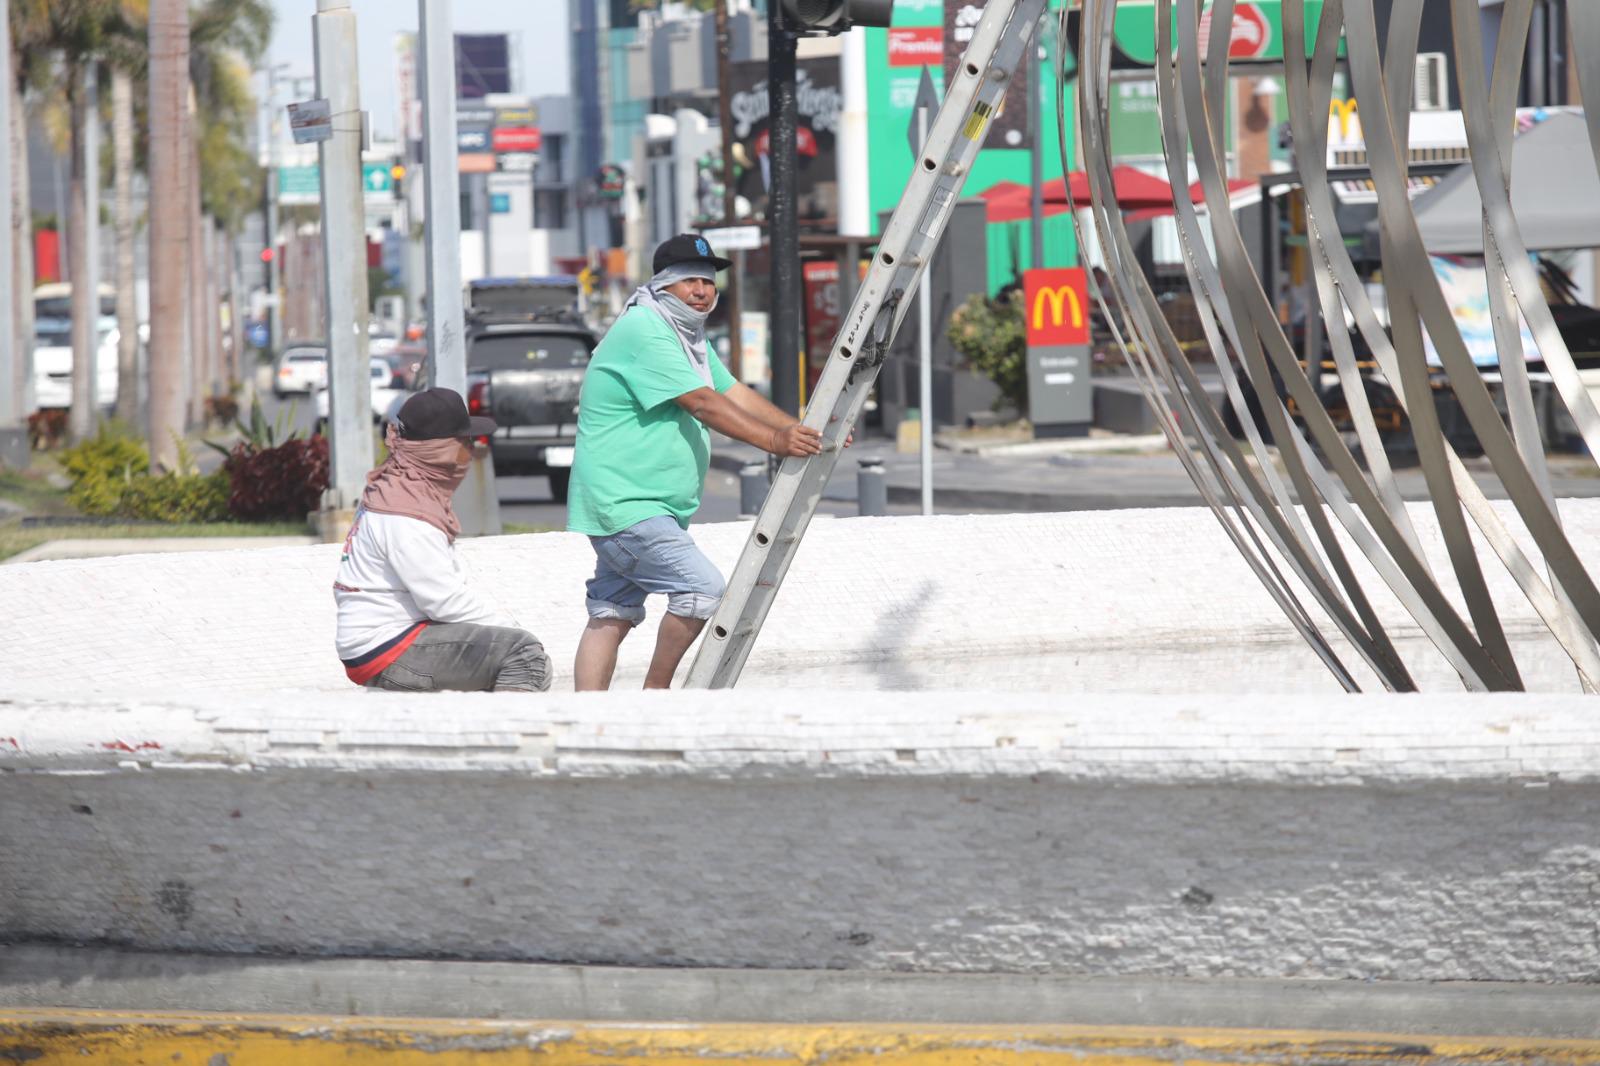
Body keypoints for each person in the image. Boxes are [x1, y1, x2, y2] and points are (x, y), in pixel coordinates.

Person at [567, 233, 823, 691]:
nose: (702, 291)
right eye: (689, 281)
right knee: (702, 590)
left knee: (611, 615)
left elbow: (732, 393)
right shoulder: (645, 330)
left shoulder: (685, 338)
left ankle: (586, 722)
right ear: (663, 285)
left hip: (643, 505)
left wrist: (799, 430)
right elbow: (703, 404)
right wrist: (774, 441)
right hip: (628, 504)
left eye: (708, 281)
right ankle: (657, 698)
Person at [334, 387, 551, 693]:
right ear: (443, 451)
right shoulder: (407, 514)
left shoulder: (397, 486)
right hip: (387, 646)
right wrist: (514, 631)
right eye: (466, 443)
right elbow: (443, 600)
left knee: (502, 649)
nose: (471, 452)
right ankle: (500, 737)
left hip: (385, 638)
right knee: (523, 655)